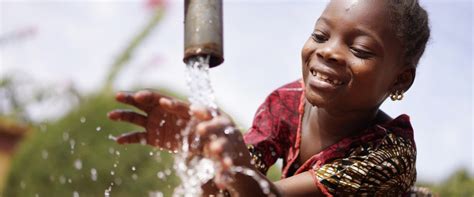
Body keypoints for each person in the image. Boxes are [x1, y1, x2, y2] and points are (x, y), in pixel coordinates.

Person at [108, 0, 431, 196]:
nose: (329, 51)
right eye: (320, 35)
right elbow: (226, 190)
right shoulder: (287, 102)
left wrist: (236, 171)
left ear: (400, 79)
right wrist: (202, 152)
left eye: (360, 49)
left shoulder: (388, 156)